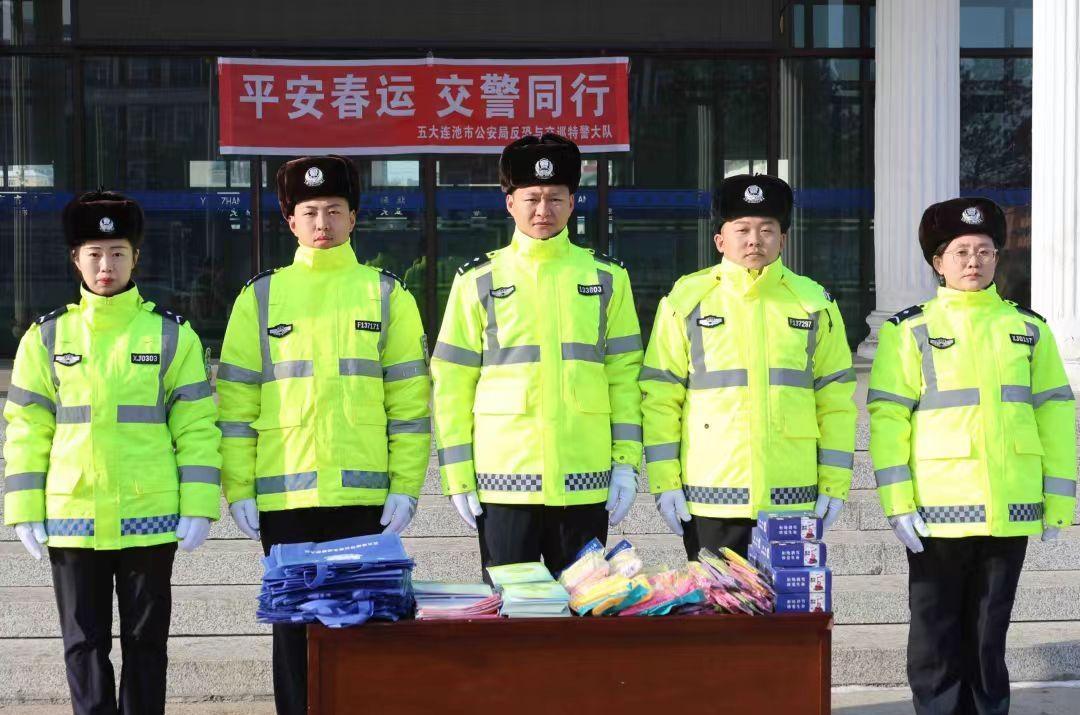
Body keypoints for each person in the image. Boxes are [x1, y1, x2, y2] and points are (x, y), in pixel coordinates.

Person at [217, 155, 430, 715]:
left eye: (334, 211)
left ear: (353, 218)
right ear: (290, 220)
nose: (322, 224)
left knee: (364, 630)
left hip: (363, 499)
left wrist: (406, 486)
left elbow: (409, 405)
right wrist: (238, 489)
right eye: (310, 212)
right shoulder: (260, 298)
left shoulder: (386, 295)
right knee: (293, 633)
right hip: (285, 499)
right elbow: (235, 405)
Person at [3, 190, 221, 715]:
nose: (106, 266)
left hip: (150, 514)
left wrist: (199, 503)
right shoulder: (46, 337)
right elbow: (26, 429)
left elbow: (197, 426)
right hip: (73, 517)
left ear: (136, 257)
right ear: (75, 258)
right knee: (83, 643)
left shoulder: (171, 336)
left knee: (147, 643)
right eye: (95, 254)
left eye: (118, 253)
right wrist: (24, 508)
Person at [868, 197, 1076, 715]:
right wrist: (897, 502)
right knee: (935, 629)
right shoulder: (908, 330)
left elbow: (1054, 415)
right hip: (937, 509)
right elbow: (889, 419)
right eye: (960, 251)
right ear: (937, 262)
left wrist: (1058, 501)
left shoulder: (1028, 328)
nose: (973, 261)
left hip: (1009, 504)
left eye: (984, 251)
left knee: (989, 630)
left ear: (997, 258)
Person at [431, 134, 643, 575]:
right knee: (513, 609)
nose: (543, 210)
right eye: (531, 198)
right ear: (510, 203)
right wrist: (457, 473)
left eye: (554, 198)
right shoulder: (478, 280)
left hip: (584, 479)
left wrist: (626, 464)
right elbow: (452, 381)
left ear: (572, 202)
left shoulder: (607, 277)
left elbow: (625, 376)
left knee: (585, 606)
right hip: (504, 482)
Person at [640, 174, 856, 558]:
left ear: (783, 240)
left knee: (786, 600)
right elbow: (660, 397)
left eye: (766, 229)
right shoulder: (686, 301)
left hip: (791, 494)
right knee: (716, 600)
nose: (754, 239)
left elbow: (836, 402)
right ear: (720, 240)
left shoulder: (814, 304)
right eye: (742, 229)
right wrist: (663, 480)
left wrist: (834, 483)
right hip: (711, 495)